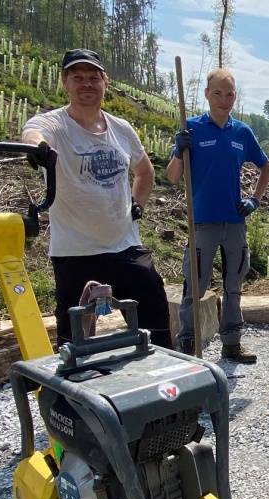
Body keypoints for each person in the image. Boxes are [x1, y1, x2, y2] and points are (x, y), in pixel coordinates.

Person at [21, 49, 172, 349]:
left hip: (124, 244)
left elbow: (144, 171)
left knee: (154, 316)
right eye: (78, 78)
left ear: (105, 82)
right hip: (75, 249)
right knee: (73, 333)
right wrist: (38, 149)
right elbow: (34, 134)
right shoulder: (53, 124)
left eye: (93, 78)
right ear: (65, 82)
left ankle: (162, 382)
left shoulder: (121, 128)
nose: (86, 84)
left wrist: (136, 205)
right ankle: (72, 391)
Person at [167, 68, 269, 363]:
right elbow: (173, 177)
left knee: (233, 285)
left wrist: (254, 199)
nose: (224, 100)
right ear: (206, 94)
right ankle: (188, 344)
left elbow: (266, 169)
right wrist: (179, 150)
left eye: (229, 95)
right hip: (201, 221)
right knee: (194, 286)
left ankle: (232, 344)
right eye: (218, 93)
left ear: (235, 97)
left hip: (235, 222)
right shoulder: (191, 128)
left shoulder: (242, 132)